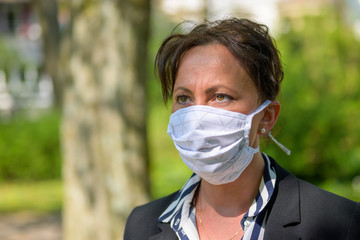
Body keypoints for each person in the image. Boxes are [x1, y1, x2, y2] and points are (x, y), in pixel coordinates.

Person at [124, 18, 360, 240]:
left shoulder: (339, 222)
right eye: (183, 98)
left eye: (220, 96)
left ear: (266, 117)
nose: (196, 116)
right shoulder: (141, 225)